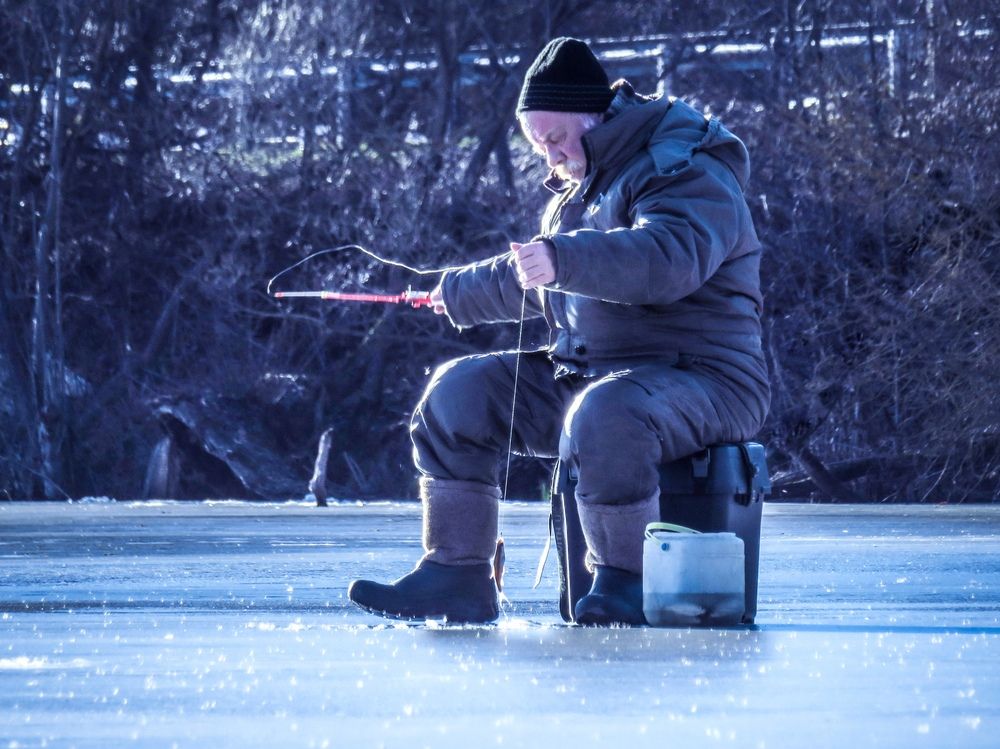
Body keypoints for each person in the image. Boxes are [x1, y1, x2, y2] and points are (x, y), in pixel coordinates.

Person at [348, 37, 770, 625]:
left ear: (595, 119)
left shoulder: (686, 169)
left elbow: (669, 257)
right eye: (536, 144)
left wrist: (564, 258)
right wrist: (454, 292)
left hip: (705, 379)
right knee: (456, 394)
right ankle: (456, 575)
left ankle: (626, 582)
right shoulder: (582, 185)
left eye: (554, 139)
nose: (548, 156)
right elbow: (540, 270)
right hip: (594, 375)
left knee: (606, 416)